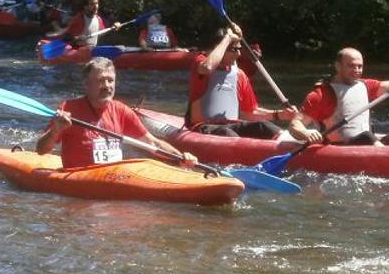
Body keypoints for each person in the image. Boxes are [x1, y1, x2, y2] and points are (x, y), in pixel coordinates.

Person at [37, 57, 197, 169]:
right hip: (79, 176)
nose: (107, 86)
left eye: (110, 80)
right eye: (101, 81)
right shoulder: (69, 108)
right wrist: (56, 130)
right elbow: (41, 150)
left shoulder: (121, 110)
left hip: (113, 175)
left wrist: (180, 158)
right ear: (87, 84)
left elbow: (152, 143)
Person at [187, 25, 323, 142]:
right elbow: (208, 67)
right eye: (234, 49)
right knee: (228, 135)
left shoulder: (239, 75)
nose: (239, 54)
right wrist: (228, 37)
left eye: (239, 49)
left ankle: (291, 145)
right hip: (202, 127)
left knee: (264, 126)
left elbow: (249, 112)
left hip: (231, 125)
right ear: (219, 47)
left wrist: (279, 114)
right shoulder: (201, 63)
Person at [299, 47, 389, 145]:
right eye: (351, 66)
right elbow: (295, 125)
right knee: (366, 137)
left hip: (370, 144)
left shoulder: (365, 85)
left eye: (360, 66)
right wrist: (307, 134)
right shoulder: (321, 94)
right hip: (341, 147)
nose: (357, 70)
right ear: (338, 66)